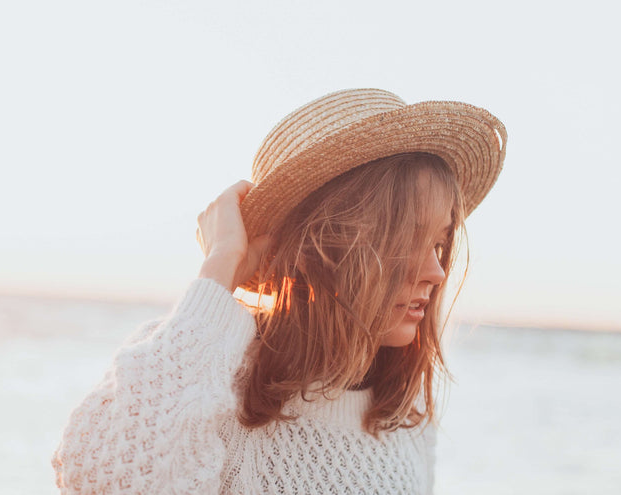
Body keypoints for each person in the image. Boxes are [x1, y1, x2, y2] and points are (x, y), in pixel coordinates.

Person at [51, 89, 507, 494]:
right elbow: (105, 482)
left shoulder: (403, 413)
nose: (437, 272)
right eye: (406, 240)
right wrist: (220, 268)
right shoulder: (199, 368)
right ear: (321, 247)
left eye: (440, 243)